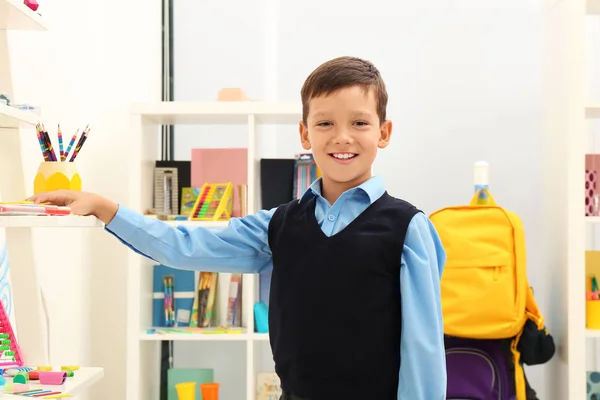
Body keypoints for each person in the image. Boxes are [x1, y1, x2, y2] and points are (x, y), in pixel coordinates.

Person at [28, 56, 447, 400]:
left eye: (359, 123)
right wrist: (106, 208)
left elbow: (423, 352)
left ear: (384, 132)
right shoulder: (278, 224)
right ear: (304, 133)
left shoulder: (408, 228)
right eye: (324, 124)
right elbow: (184, 245)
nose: (342, 137)